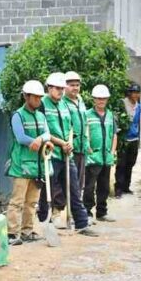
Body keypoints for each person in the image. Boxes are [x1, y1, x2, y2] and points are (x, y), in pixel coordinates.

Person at [36, 72, 96, 236]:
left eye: (62, 89)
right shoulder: (42, 104)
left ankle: (81, 223)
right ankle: (44, 221)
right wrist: (61, 143)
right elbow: (43, 130)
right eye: (57, 88)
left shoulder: (64, 104)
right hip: (51, 154)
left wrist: (69, 142)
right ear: (49, 88)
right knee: (47, 191)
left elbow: (70, 126)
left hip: (66, 154)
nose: (60, 92)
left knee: (74, 189)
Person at [5, 80, 49, 246]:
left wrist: (40, 139)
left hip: (36, 166)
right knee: (17, 201)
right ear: (26, 96)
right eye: (35, 97)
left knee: (31, 202)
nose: (38, 100)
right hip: (20, 166)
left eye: (39, 97)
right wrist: (37, 140)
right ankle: (12, 233)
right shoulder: (18, 115)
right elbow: (21, 137)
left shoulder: (40, 116)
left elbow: (47, 134)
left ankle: (27, 231)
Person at [84, 85, 117, 222]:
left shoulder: (110, 115)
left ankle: (102, 212)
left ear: (107, 99)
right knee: (89, 186)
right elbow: (85, 134)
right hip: (93, 157)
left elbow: (114, 134)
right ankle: (87, 212)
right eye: (98, 98)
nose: (101, 100)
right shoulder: (87, 115)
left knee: (104, 186)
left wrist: (113, 151)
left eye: (103, 98)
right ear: (94, 99)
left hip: (106, 157)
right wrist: (88, 149)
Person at [63, 70, 89, 197]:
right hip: (69, 148)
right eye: (72, 85)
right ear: (65, 86)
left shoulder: (80, 100)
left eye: (77, 85)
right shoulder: (62, 102)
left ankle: (75, 212)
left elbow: (85, 122)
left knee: (79, 183)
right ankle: (64, 213)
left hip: (82, 148)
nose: (75, 88)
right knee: (68, 183)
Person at [114, 82, 141, 198]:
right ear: (129, 93)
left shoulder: (139, 106)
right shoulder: (122, 104)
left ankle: (126, 187)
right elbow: (116, 119)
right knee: (121, 164)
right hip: (124, 139)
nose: (135, 95)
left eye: (137, 93)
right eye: (133, 92)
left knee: (130, 163)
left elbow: (138, 122)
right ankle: (118, 189)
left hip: (134, 139)